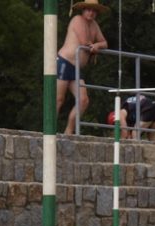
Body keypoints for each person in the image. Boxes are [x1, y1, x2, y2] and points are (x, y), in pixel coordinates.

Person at [57, 0, 109, 135]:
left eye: (94, 10)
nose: (91, 12)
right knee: (58, 99)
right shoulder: (77, 20)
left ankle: (68, 131)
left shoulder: (94, 25)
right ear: (83, 10)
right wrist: (93, 46)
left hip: (77, 68)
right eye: (88, 9)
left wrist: (97, 46)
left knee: (83, 100)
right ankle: (48, 131)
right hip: (64, 61)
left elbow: (104, 43)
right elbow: (84, 42)